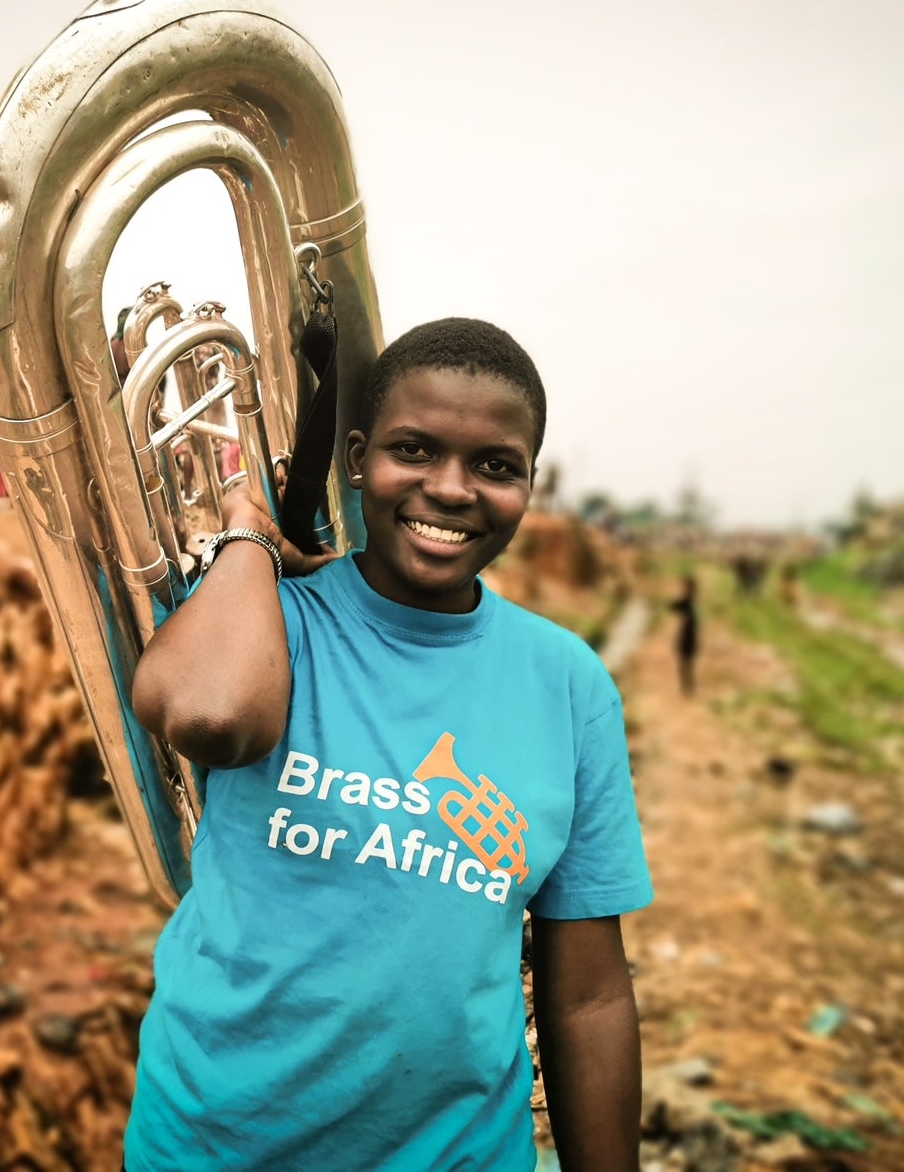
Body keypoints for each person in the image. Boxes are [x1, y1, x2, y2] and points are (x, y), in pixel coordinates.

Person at [125, 318, 653, 1172]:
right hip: (212, 1150)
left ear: (528, 483)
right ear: (359, 457)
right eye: (415, 450)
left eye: (495, 466)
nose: (451, 489)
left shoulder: (568, 683)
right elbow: (212, 718)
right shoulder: (270, 621)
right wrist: (250, 525)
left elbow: (589, 994)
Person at [668, 573, 699, 697]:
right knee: (687, 664)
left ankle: (687, 688)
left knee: (685, 664)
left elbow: (674, 607)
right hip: (689, 639)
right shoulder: (690, 604)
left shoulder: (688, 605)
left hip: (687, 639)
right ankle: (688, 687)